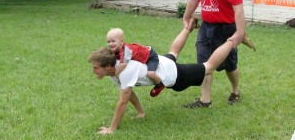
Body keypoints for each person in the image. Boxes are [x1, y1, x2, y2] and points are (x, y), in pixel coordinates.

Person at [88, 18, 235, 134]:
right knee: (173, 52)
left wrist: (111, 128)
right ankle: (190, 24)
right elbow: (129, 92)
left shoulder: (123, 71)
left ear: (107, 66)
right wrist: (141, 112)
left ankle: (234, 39)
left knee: (208, 67)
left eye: (95, 68)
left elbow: (123, 102)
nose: (93, 71)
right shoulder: (114, 71)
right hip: (159, 62)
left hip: (172, 73)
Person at [183, 0, 247, 108]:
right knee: (203, 64)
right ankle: (205, 100)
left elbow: (238, 10)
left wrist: (240, 33)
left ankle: (235, 91)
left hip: (225, 30)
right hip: (206, 27)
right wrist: (186, 16)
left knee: (229, 66)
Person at [106, 28, 165, 97]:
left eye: (113, 41)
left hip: (150, 55)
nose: (110, 44)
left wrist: (115, 74)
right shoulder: (115, 49)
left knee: (150, 73)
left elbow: (123, 64)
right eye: (108, 42)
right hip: (141, 52)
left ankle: (159, 85)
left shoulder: (125, 51)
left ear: (121, 41)